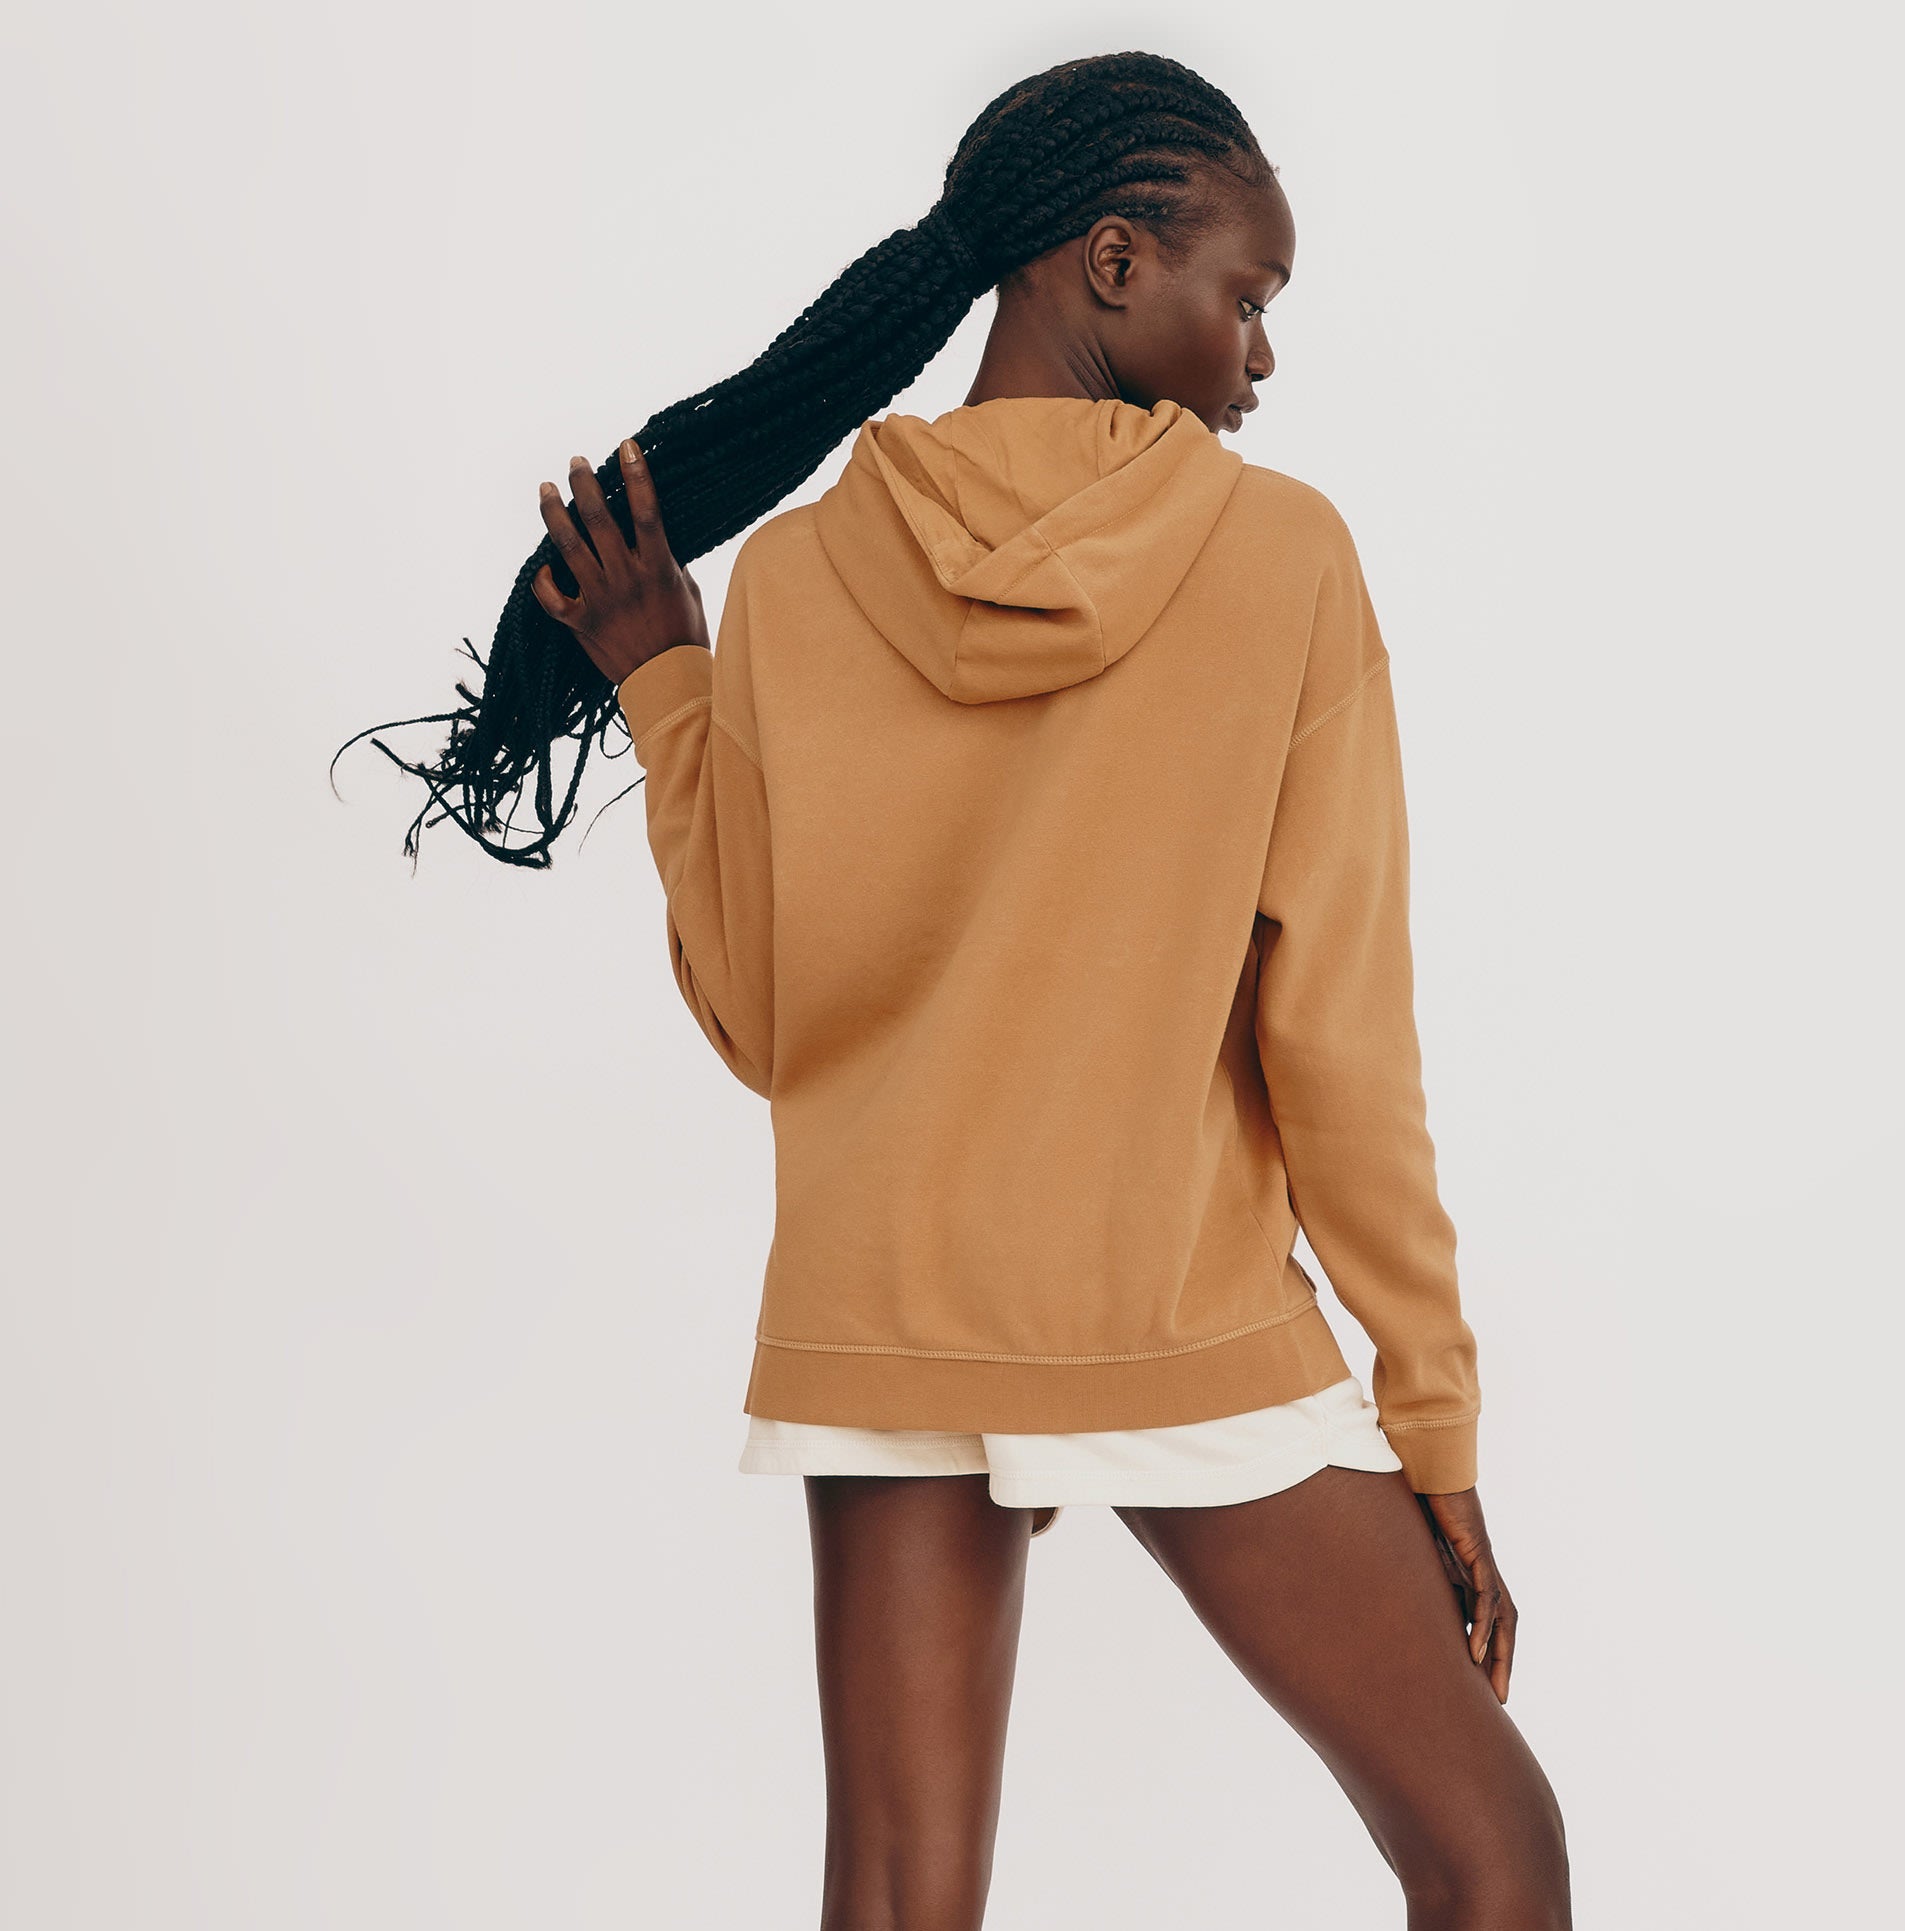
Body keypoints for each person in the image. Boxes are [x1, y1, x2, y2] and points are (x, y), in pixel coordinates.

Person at [357, 49, 1569, 1931]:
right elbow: (1339, 1045)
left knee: (898, 1896)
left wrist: (667, 682)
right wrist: (1437, 1425)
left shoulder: (801, 574)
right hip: (1169, 1309)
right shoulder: (1282, 560)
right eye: (1248, 296)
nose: (1263, 354)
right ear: (1111, 261)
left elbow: (768, 1020)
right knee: (1492, 1852)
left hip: (889, 1313)